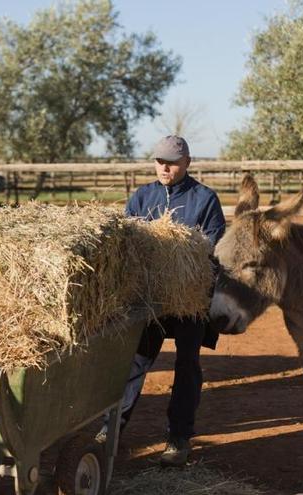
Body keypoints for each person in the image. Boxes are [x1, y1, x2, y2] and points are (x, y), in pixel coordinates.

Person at [98, 135, 226, 467]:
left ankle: (178, 438)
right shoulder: (142, 196)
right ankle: (110, 431)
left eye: (171, 162)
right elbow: (127, 243)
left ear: (187, 163)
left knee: (187, 365)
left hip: (189, 302)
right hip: (149, 300)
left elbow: (214, 247)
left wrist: (184, 256)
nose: (164, 167)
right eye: (159, 161)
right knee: (135, 363)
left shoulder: (205, 199)